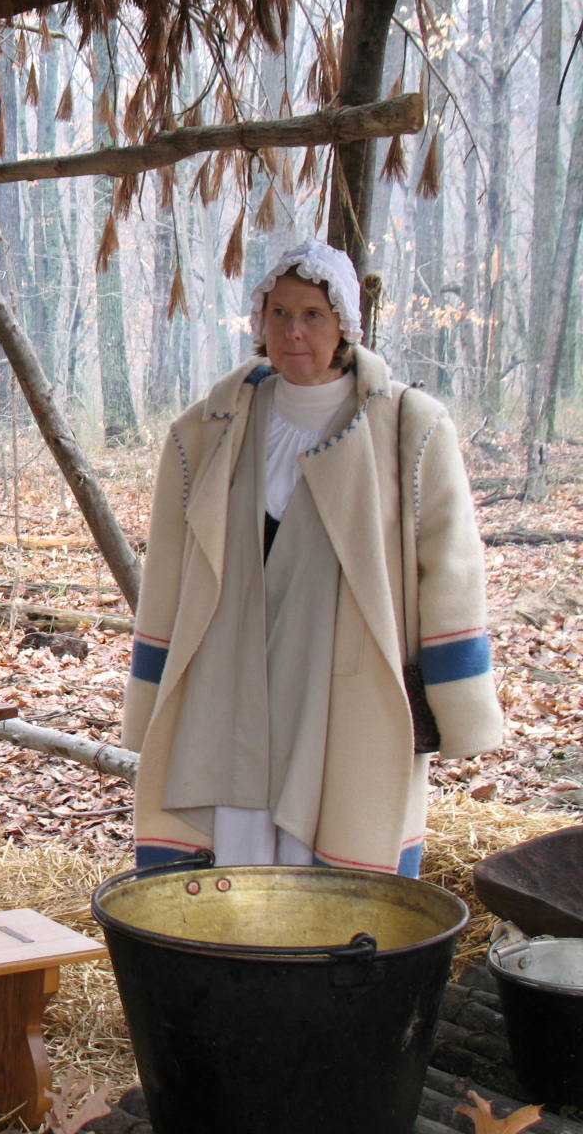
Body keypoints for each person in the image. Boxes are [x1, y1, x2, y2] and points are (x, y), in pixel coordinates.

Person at [122, 239, 503, 877]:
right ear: (260, 321)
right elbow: (166, 571)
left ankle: (320, 966)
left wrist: (455, 703)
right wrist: (150, 695)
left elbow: (452, 571)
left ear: (344, 325)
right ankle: (234, 959)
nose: (293, 332)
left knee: (335, 838)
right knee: (228, 843)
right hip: (228, 671)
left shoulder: (410, 428)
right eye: (279, 314)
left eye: (313, 316)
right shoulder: (207, 430)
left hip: (342, 677)